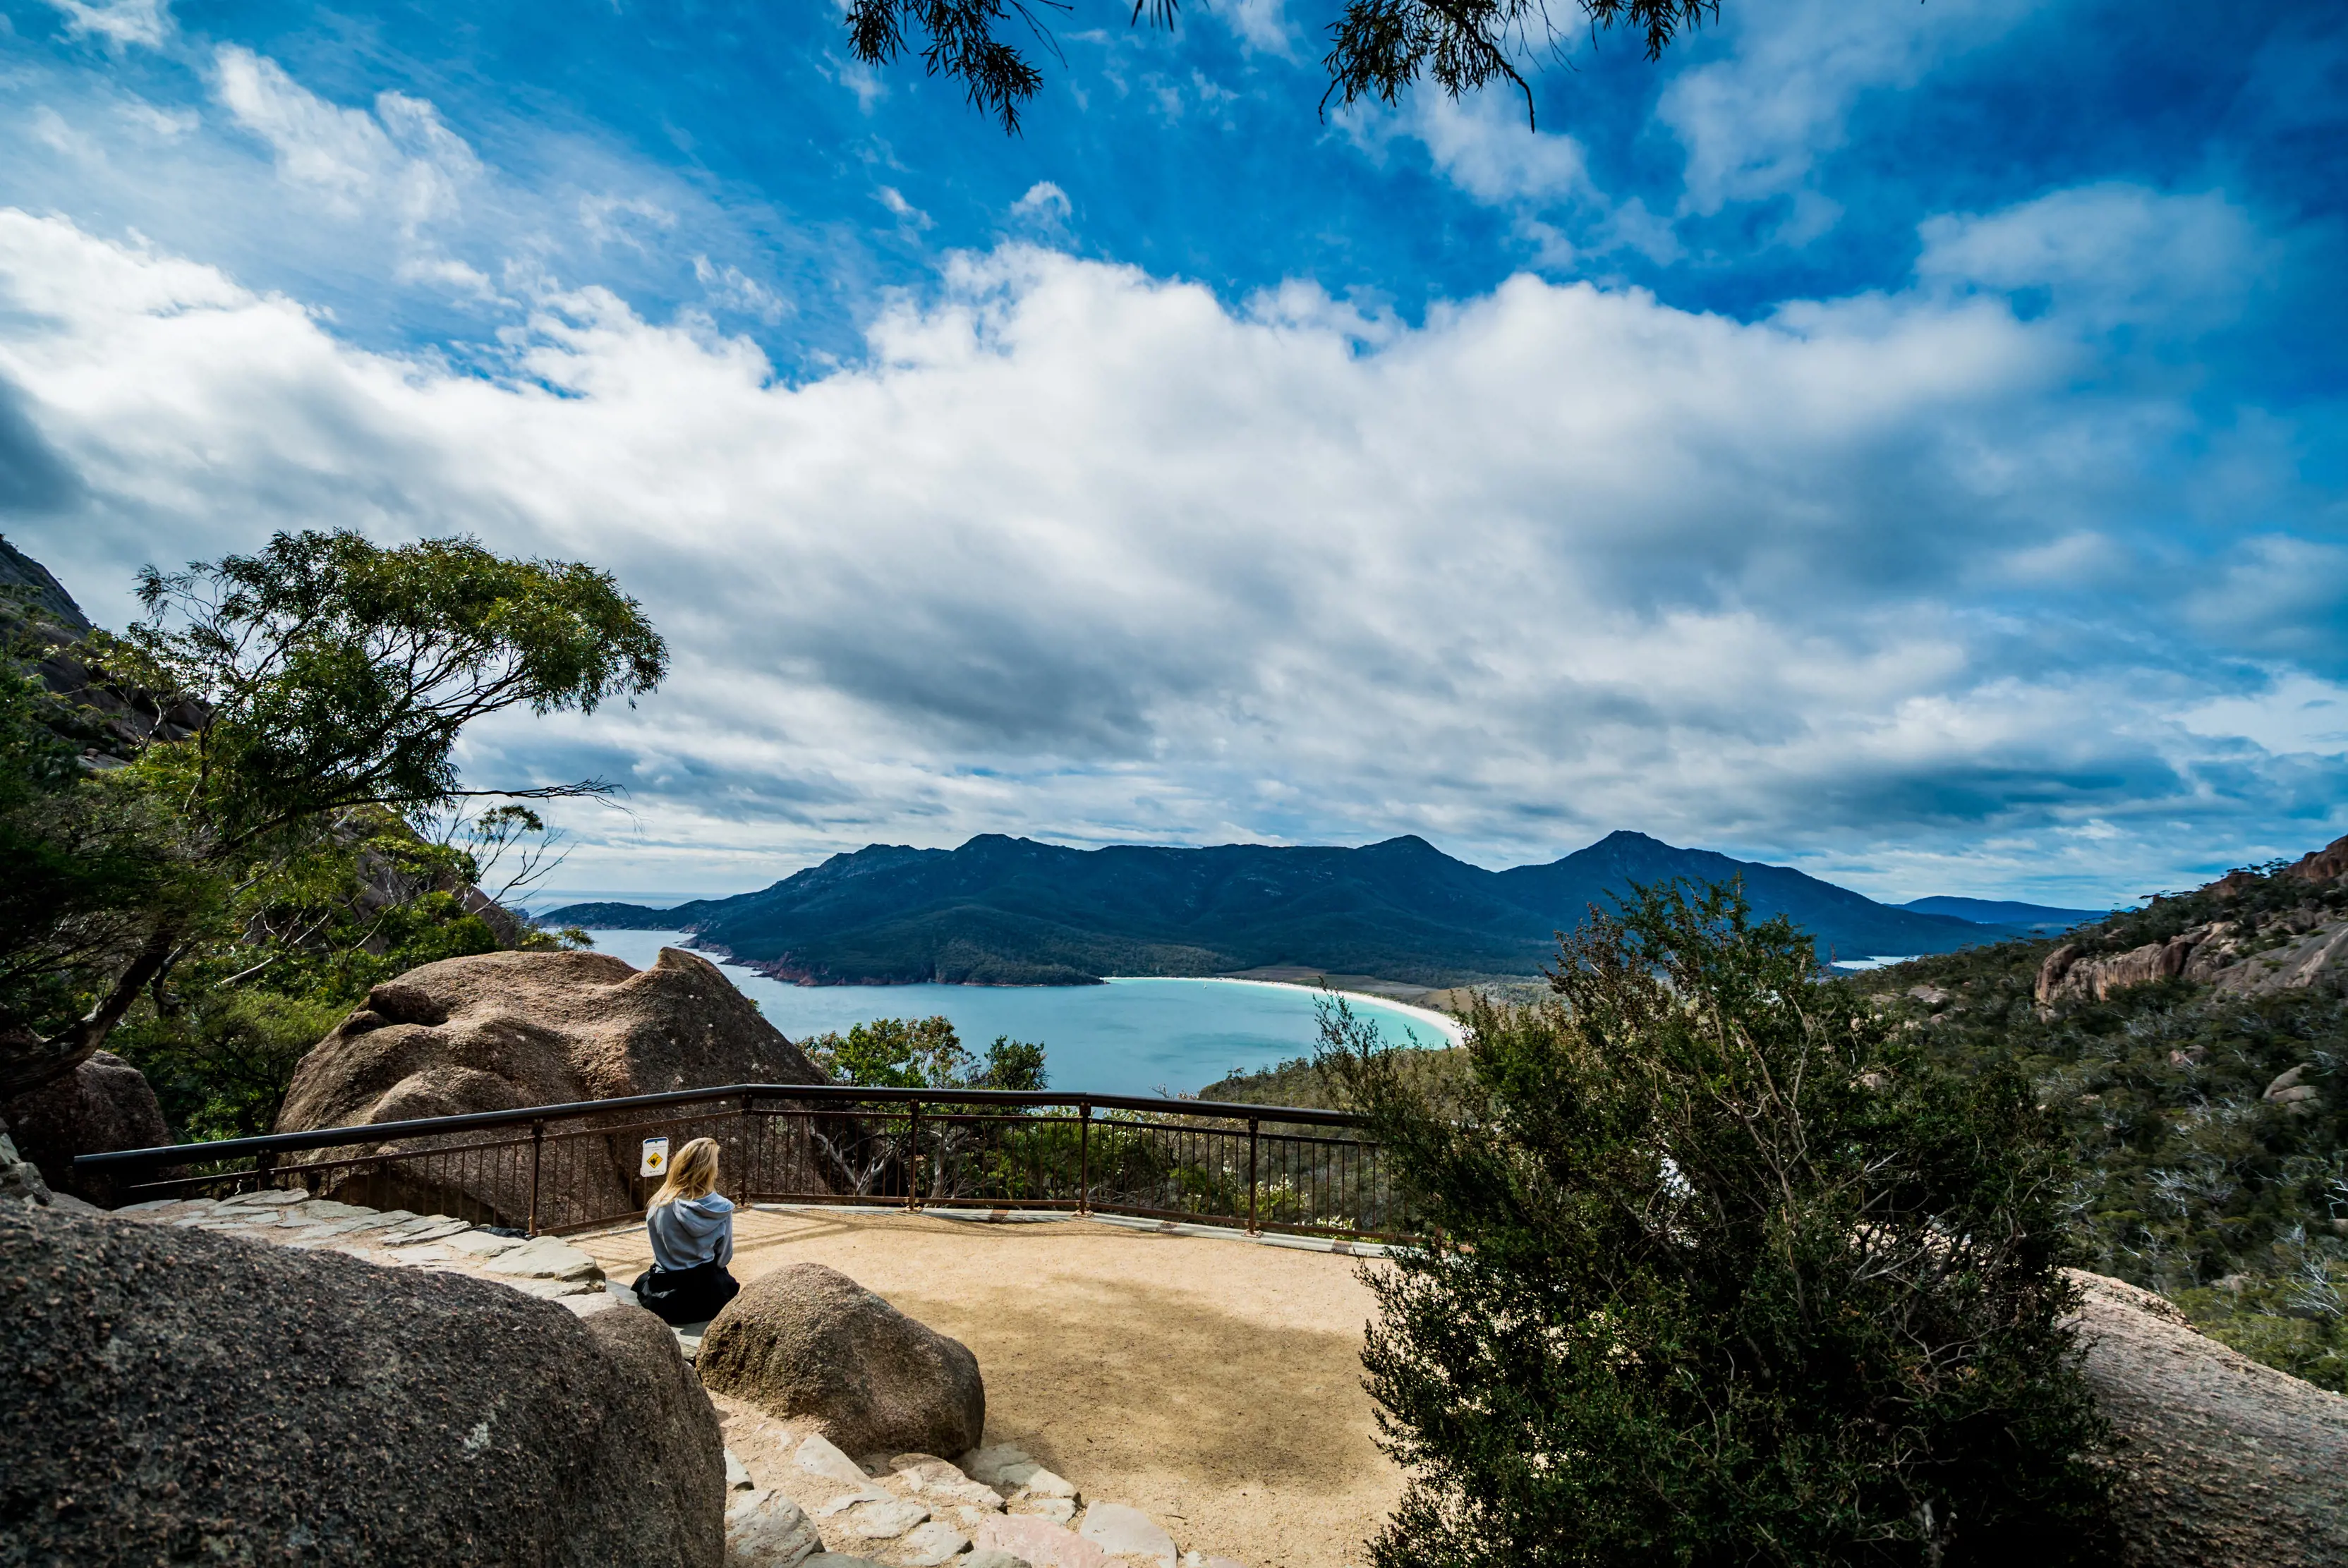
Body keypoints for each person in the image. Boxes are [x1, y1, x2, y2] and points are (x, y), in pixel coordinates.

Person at [630, 1136, 742, 1325]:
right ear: (710, 1170)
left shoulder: (659, 1204)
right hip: (707, 1296)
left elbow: (659, 1249)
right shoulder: (721, 1208)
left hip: (665, 1296)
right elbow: (723, 1258)